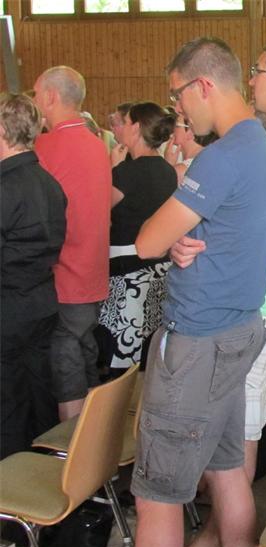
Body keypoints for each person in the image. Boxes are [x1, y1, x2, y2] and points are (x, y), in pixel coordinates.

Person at [131, 37, 266, 547]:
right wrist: (183, 238)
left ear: (203, 85)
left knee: (157, 495)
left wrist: (167, 235)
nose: (178, 109)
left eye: (177, 95)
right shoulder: (262, 145)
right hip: (237, 330)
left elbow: (145, 242)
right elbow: (226, 230)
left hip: (198, 340)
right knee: (226, 469)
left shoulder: (220, 158)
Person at [32, 65, 112, 421]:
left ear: (50, 97)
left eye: (36, 94)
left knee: (63, 351)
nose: (35, 101)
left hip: (64, 271)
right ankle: (93, 434)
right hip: (93, 269)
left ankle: (70, 441)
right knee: (84, 347)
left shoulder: (46, 145)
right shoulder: (96, 144)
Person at [0, 93, 67, 459]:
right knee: (40, 394)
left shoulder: (5, 187)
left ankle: (11, 483)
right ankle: (41, 468)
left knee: (9, 403)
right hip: (42, 302)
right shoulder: (49, 183)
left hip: (8, 308)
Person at [97, 102, 177, 375]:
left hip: (127, 273)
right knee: (149, 350)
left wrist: (113, 170)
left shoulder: (126, 173)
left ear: (136, 128)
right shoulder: (167, 170)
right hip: (159, 270)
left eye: (126, 122)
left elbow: (99, 213)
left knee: (122, 353)